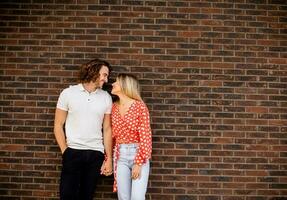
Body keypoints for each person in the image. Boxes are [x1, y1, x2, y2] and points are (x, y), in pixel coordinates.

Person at [54, 59, 113, 200]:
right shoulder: (68, 93)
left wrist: (109, 158)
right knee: (67, 195)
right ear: (93, 71)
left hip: (95, 154)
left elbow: (107, 129)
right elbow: (58, 125)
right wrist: (65, 151)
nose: (106, 79)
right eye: (104, 75)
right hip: (73, 152)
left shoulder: (105, 97)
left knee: (87, 196)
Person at [111, 73, 152, 200]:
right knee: (123, 197)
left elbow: (145, 136)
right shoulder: (113, 107)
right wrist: (108, 158)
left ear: (124, 85)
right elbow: (111, 135)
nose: (112, 84)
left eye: (116, 82)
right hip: (119, 156)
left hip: (138, 154)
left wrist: (138, 163)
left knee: (137, 197)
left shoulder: (139, 106)